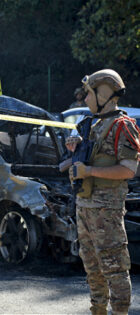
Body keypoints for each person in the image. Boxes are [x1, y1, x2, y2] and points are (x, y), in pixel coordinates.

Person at [66, 69, 139, 315]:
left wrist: (89, 171)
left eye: (89, 94)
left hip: (106, 211)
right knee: (92, 267)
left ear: (104, 94)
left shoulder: (123, 126)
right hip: (85, 207)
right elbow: (83, 162)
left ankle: (119, 312)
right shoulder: (92, 125)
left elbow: (129, 170)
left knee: (115, 268)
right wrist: (74, 154)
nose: (85, 100)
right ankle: (98, 309)